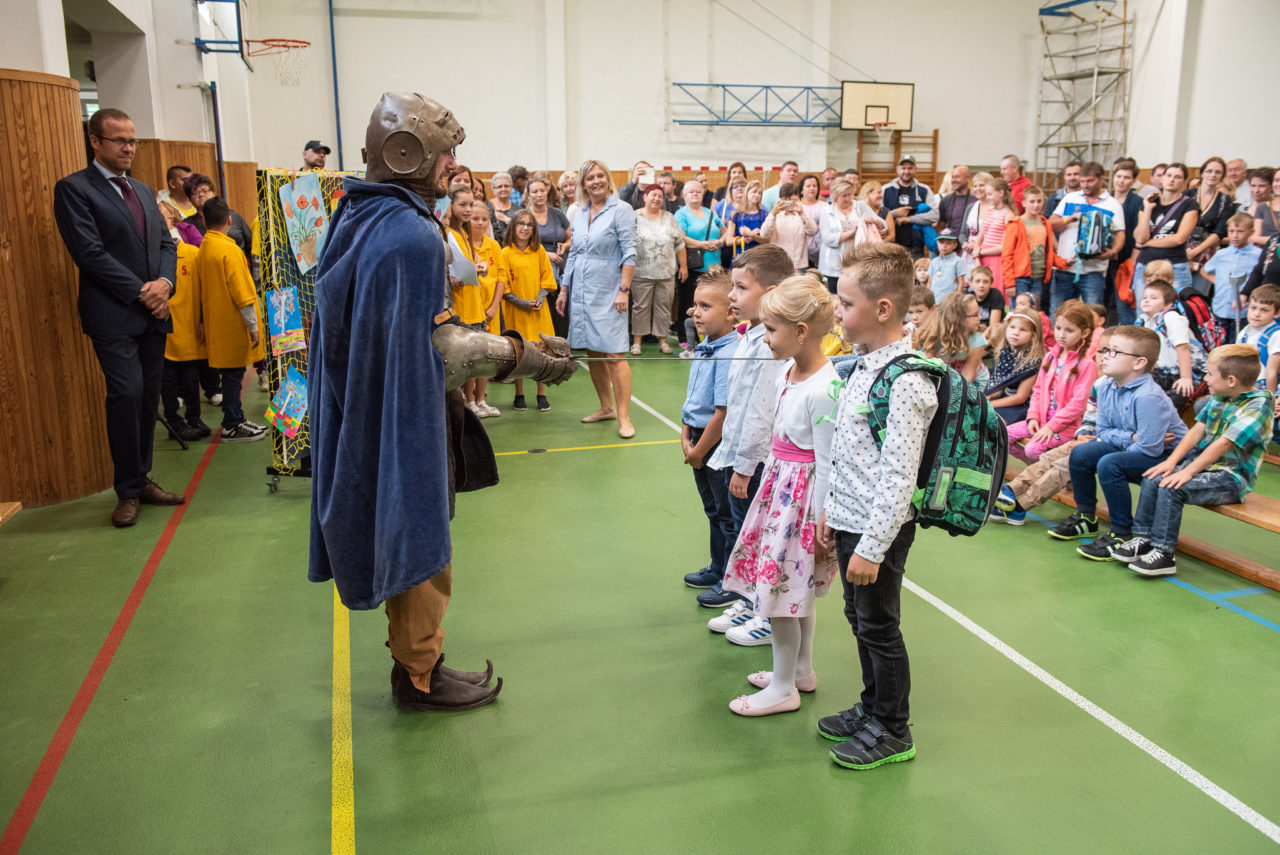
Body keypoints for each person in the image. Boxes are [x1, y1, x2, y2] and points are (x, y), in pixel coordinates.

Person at [309, 92, 575, 713]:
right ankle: (420, 675)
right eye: (444, 153)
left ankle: (416, 661)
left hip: (374, 403)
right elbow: (442, 349)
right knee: (419, 534)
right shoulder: (408, 232)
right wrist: (527, 356)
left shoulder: (358, 212)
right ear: (409, 154)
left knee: (403, 528)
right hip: (401, 413)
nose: (453, 165)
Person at [817, 242, 936, 770]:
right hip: (852, 521)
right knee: (860, 618)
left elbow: (898, 479)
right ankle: (872, 708)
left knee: (880, 627)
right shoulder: (864, 365)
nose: (838, 312)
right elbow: (848, 452)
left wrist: (871, 547)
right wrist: (831, 510)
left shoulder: (906, 381)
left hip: (878, 531)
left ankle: (893, 729)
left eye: (845, 304)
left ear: (882, 309)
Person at [52, 107, 184, 528]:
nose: (129, 147)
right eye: (120, 140)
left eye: (132, 140)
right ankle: (126, 491)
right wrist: (144, 292)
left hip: (154, 312)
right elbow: (89, 254)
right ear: (95, 141)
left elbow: (166, 244)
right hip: (113, 313)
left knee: (147, 396)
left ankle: (142, 479)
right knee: (126, 394)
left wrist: (165, 283)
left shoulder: (143, 190)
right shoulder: (74, 189)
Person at [722, 276, 839, 716]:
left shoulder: (824, 389)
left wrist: (822, 519)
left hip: (800, 508)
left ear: (801, 331)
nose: (765, 337)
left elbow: (827, 462)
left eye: (771, 329)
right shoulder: (788, 372)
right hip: (780, 495)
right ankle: (801, 670)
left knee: (780, 596)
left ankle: (784, 687)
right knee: (795, 592)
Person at [1115, 345, 1274, 576]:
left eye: (1210, 374)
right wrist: (1172, 462)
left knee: (1171, 487)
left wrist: (1188, 471)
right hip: (1202, 468)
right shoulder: (1220, 396)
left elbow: (1224, 443)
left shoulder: (1259, 404)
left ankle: (1164, 553)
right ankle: (1144, 538)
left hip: (1231, 479)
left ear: (1231, 380)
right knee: (1154, 477)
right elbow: (1197, 430)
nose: (1205, 378)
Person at [698, 246, 793, 622]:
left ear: (770, 292)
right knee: (743, 534)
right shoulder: (752, 335)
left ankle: (763, 611)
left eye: (741, 288)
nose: (732, 295)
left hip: (754, 464)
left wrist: (744, 465)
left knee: (756, 535)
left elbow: (760, 412)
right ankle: (748, 597)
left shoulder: (770, 345)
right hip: (739, 456)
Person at [1052, 325, 1187, 560]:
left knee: (1110, 463)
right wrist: (1131, 437)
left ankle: (1121, 533)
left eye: (1115, 352)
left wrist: (1127, 440)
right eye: (1105, 350)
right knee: (1082, 453)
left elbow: (1149, 448)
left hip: (1170, 457)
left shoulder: (1149, 396)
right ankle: (1086, 518)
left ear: (1139, 363)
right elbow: (1103, 431)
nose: (1105, 356)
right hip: (1138, 446)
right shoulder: (1105, 385)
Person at [992, 328, 1115, 525]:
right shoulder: (1101, 384)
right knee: (1049, 458)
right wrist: (1083, 433)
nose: (1105, 357)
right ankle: (1012, 490)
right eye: (1101, 351)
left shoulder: (1142, 394)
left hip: (1105, 443)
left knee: (1061, 465)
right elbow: (1091, 416)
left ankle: (1019, 507)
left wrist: (1095, 438)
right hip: (1086, 437)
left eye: (1114, 352)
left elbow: (1134, 435)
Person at [559, 159, 638, 438]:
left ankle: (624, 418)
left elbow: (630, 252)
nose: (596, 181)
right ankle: (606, 407)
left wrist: (623, 290)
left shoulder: (621, 210)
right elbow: (574, 253)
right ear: (583, 184)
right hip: (582, 291)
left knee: (614, 354)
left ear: (608, 179)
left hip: (609, 290)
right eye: (590, 178)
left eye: (600, 176)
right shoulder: (579, 212)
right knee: (593, 352)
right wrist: (564, 289)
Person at [679, 271, 739, 612]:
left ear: (730, 312)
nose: (696, 313)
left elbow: (723, 411)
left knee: (727, 514)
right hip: (697, 437)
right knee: (712, 510)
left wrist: (699, 451)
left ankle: (731, 579)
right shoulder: (705, 347)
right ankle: (717, 566)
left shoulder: (729, 352)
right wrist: (685, 432)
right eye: (695, 305)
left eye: (705, 306)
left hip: (714, 442)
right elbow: (693, 399)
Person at [193, 197, 267, 443]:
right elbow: (242, 293)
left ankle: (236, 417)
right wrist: (253, 326)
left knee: (230, 376)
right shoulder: (230, 250)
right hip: (233, 325)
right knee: (234, 376)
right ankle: (232, 424)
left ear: (204, 221)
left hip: (217, 325)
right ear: (229, 220)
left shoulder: (204, 248)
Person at [1005, 300, 1097, 459]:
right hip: (1041, 420)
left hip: (1065, 429)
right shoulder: (1050, 357)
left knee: (1033, 449)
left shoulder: (1087, 365)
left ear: (1085, 333)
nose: (1061, 335)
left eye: (1069, 330)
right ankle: (1036, 469)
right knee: (1003, 435)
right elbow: (1038, 391)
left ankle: (1046, 469)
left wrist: (1051, 427)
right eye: (1058, 328)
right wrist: (1033, 417)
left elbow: (1078, 404)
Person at [500, 210, 560, 413]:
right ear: (513, 227)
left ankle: (541, 393)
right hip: (516, 310)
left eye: (529, 225)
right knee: (519, 352)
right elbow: (503, 286)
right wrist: (521, 303)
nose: (525, 228)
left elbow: (547, 278)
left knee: (540, 351)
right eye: (521, 224)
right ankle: (519, 394)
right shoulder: (505, 253)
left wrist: (540, 299)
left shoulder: (539, 250)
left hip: (538, 311)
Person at [1048, 161, 1126, 314]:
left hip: (1094, 270)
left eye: (1090, 181)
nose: (1085, 185)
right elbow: (1051, 223)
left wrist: (1112, 252)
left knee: (1093, 313)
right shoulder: (1070, 198)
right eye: (1083, 181)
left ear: (1101, 179)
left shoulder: (1112, 204)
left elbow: (1120, 233)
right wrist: (1069, 218)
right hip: (1065, 266)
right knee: (1059, 312)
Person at [458, 200, 507, 417]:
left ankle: (481, 400)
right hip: (470, 311)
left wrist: (495, 306)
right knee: (472, 357)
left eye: (484, 219)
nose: (480, 223)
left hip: (490, 311)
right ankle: (469, 400)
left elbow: (501, 278)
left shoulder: (494, 246)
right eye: (475, 219)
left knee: (487, 358)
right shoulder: (464, 245)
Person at [1139, 269, 1207, 411]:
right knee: (1137, 385)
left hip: (1194, 372)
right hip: (1167, 371)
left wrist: (1186, 378)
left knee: (1172, 400)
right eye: (1145, 297)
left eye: (1154, 298)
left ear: (1167, 304)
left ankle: (1169, 424)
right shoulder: (1145, 320)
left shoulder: (1172, 318)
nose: (1147, 300)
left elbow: (1183, 348)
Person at [631, 184, 686, 355]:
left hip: (666, 272)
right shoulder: (634, 217)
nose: (656, 199)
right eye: (653, 195)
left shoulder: (669, 217)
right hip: (641, 272)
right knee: (640, 307)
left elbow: (680, 244)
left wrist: (683, 266)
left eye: (660, 196)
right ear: (645, 197)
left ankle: (663, 341)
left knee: (664, 308)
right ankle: (637, 342)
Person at [1133, 162, 1200, 298]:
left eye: (1177, 177)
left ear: (1184, 182)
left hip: (1175, 265)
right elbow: (1140, 238)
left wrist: (1147, 243)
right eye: (1169, 175)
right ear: (1162, 178)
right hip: (1146, 264)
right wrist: (1148, 209)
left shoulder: (1190, 205)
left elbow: (1179, 238)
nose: (1172, 180)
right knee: (1145, 308)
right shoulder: (1149, 202)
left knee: (1174, 307)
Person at [1202, 212, 1262, 341]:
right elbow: (1204, 270)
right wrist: (1219, 281)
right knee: (1219, 344)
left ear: (1251, 232)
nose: (1235, 236)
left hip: (1244, 311)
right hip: (1221, 307)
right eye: (1231, 231)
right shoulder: (1222, 254)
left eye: (1240, 231)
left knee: (1238, 344)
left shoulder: (1258, 255)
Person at [818, 178, 884, 293]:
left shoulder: (860, 206)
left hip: (856, 262)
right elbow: (827, 238)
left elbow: (884, 225)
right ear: (835, 196)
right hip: (832, 264)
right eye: (844, 196)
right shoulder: (826, 211)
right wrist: (851, 233)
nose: (848, 199)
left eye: (850, 195)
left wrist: (874, 221)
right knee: (833, 297)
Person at [915, 291, 989, 390]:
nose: (980, 317)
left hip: (973, 384)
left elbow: (968, 376)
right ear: (958, 319)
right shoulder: (934, 335)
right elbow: (928, 367)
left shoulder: (977, 339)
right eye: (975, 314)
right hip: (944, 380)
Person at [1186, 156, 1238, 295]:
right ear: (1202, 173)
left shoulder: (1225, 201)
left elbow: (1219, 232)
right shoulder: (1186, 195)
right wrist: (1185, 254)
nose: (1213, 175)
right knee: (1175, 296)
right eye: (1209, 171)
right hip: (1181, 253)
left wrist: (1195, 252)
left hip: (1206, 255)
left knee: (1198, 297)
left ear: (1222, 176)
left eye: (1217, 172)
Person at [985, 310, 1047, 424]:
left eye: (1023, 330)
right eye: (1012, 327)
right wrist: (988, 396)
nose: (1015, 333)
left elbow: (1021, 397)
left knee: (994, 422)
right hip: (1006, 398)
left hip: (1024, 405)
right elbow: (999, 387)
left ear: (1033, 335)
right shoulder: (1006, 352)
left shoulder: (1033, 361)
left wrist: (991, 404)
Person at [1004, 184, 1057, 299]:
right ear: (1024, 203)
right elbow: (1007, 255)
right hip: (1020, 277)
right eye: (1032, 201)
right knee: (1020, 308)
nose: (1036, 205)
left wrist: (1066, 262)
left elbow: (1048, 252)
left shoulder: (1045, 223)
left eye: (1039, 201)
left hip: (1039, 276)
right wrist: (1009, 283)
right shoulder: (1015, 224)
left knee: (1034, 308)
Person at [968, 177, 1017, 297]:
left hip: (996, 260)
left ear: (1001, 193)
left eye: (990, 194)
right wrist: (977, 257)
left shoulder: (1009, 215)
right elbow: (980, 236)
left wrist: (980, 252)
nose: (987, 197)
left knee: (995, 293)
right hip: (982, 258)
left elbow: (1004, 247)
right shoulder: (990, 211)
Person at [1108, 160, 1144, 324]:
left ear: (1133, 180)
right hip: (1102, 259)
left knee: (1123, 303)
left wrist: (1133, 262)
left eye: (1126, 177)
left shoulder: (1137, 202)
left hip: (1125, 259)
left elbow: (1139, 235)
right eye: (1119, 176)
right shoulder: (1105, 199)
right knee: (1105, 302)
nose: (1121, 181)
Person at [883, 155, 938, 259]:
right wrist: (894, 213)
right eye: (903, 168)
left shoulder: (924, 190)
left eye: (910, 168)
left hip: (916, 248)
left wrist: (909, 219)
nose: (906, 171)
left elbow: (935, 215)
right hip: (890, 247)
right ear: (897, 169)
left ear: (916, 169)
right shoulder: (885, 190)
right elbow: (877, 215)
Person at [760, 183, 818, 272]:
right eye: (785, 199)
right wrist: (773, 212)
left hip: (799, 264)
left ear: (797, 198)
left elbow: (813, 231)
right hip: (778, 264)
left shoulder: (802, 214)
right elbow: (763, 234)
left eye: (791, 199)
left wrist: (802, 212)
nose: (788, 202)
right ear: (780, 199)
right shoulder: (775, 215)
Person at [938, 164, 976, 238]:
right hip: (950, 241)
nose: (954, 180)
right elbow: (941, 226)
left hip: (968, 242)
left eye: (957, 177)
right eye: (953, 177)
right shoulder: (945, 201)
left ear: (967, 178)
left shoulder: (975, 201)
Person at [798, 174, 827, 269]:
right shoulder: (797, 207)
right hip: (800, 251)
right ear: (801, 190)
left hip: (819, 250)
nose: (812, 188)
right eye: (808, 186)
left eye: (814, 186)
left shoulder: (825, 206)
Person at [966, 265, 1005, 333]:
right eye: (977, 281)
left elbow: (993, 326)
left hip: (994, 331)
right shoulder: (969, 297)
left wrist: (981, 338)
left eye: (986, 282)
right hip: (976, 330)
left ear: (991, 283)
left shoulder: (996, 295)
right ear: (971, 283)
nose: (981, 285)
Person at [487, 171, 520, 244]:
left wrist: (507, 219)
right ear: (493, 189)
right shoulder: (486, 207)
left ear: (511, 188)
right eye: (499, 186)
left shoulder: (518, 210)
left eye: (506, 186)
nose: (503, 189)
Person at [860, 180, 895, 245]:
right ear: (868, 194)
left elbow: (892, 236)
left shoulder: (885, 212)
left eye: (881, 192)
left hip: (880, 248)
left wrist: (877, 245)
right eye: (879, 192)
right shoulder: (858, 209)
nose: (882, 196)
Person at [1252, 168, 1280, 247]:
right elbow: (1255, 237)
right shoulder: (1262, 207)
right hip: (1265, 252)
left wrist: (1258, 239)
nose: (1278, 184)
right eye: (1276, 180)